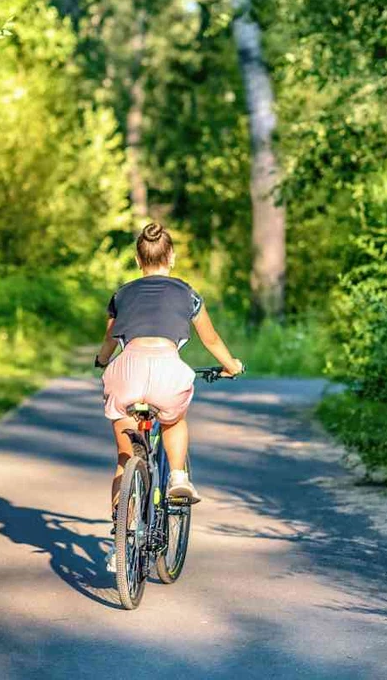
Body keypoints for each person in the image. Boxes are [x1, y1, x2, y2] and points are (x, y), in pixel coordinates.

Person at [95, 222, 243, 571]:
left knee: (124, 457)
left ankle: (120, 541)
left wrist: (102, 360)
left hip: (127, 370)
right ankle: (177, 476)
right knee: (173, 419)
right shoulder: (187, 294)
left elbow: (109, 341)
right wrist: (231, 366)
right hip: (166, 369)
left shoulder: (122, 295)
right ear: (171, 256)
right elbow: (211, 340)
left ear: (137, 259)